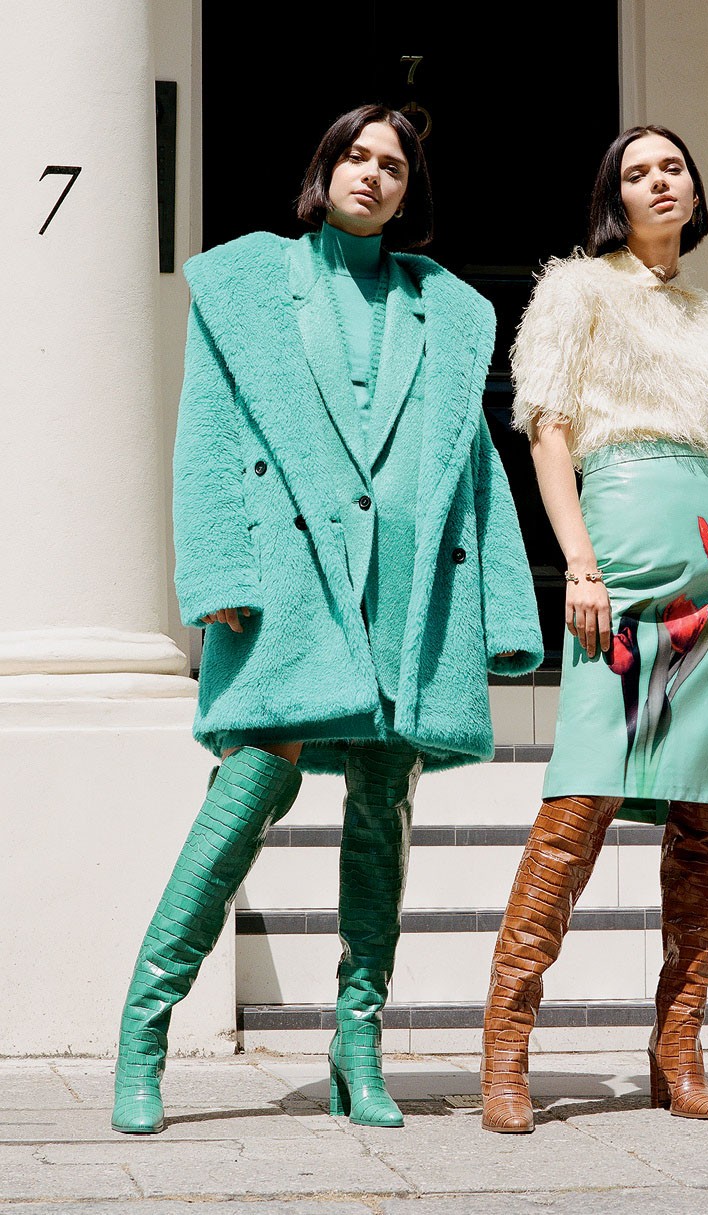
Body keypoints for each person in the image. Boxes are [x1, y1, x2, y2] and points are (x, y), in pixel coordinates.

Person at [111, 103, 543, 1135]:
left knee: (385, 803)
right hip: (291, 576)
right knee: (250, 784)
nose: (372, 173)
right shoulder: (248, 283)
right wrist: (216, 569)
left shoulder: (444, 306)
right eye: (356, 155)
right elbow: (208, 434)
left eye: (393, 164)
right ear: (325, 168)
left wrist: (499, 604)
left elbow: (476, 463)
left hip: (406, 583)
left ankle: (359, 1038)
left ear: (408, 192)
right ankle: (145, 1027)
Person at [481, 125, 708, 1132]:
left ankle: (679, 1048)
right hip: (621, 558)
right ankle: (507, 1046)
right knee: (581, 798)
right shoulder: (576, 291)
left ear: (695, 193)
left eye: (674, 168)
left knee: (702, 815)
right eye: (637, 171)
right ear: (614, 195)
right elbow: (548, 431)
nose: (659, 181)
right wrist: (578, 563)